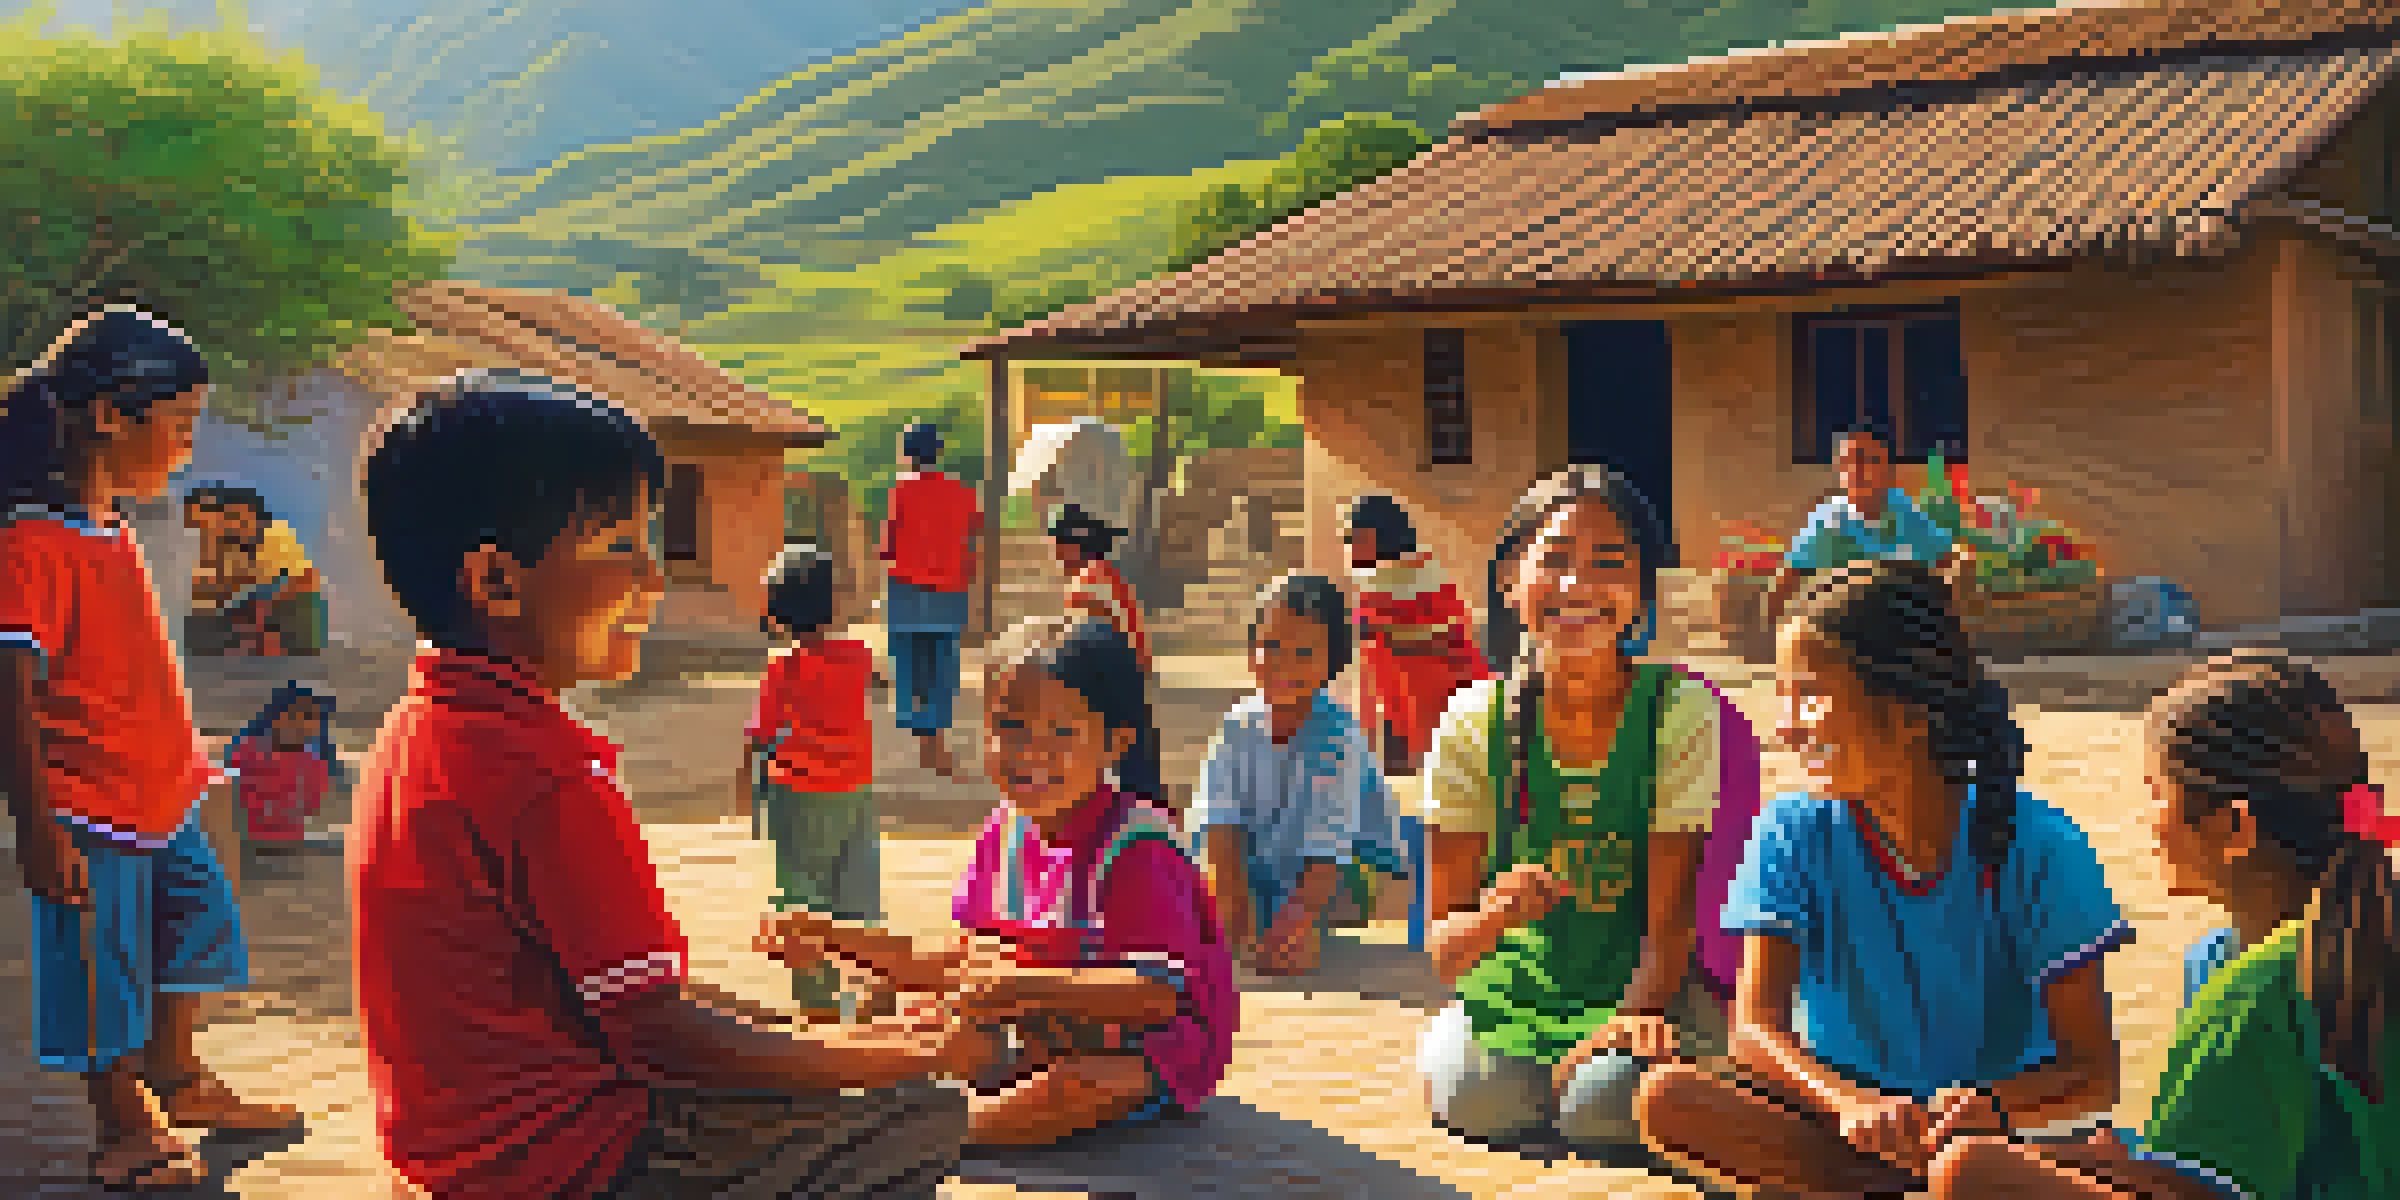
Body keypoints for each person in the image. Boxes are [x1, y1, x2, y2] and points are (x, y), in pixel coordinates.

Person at [354, 369, 985, 1199]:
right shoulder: (545, 778)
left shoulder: (418, 731)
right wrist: (905, 1054)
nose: (653, 578)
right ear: (498, 582)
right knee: (920, 1112)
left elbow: (634, 991)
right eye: (621, 547)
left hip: (451, 1154)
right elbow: (663, 1039)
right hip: (567, 1162)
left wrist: (801, 1032)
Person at [1637, 560, 2130, 1198]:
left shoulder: (2037, 842)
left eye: (1809, 693)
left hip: (1988, 1142)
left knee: (1970, 1170)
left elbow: (2093, 1071)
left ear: (1908, 713)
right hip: (1848, 1132)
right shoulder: (1793, 829)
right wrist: (1847, 1101)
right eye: (1781, 694)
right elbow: (1755, 1030)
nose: (1786, 726)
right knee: (1669, 1100)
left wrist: (1994, 1108)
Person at [0, 306, 301, 1191]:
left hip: (161, 792)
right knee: (101, 964)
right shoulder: (28, 545)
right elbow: (10, 695)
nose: (185, 447)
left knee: (191, 935)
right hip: (89, 805)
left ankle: (178, 1076)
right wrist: (39, 825)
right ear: (107, 418)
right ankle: (122, 1117)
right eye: (179, 425)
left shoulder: (113, 529)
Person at [1926, 652, 2400, 1200]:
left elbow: (2197, 1193)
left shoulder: (2256, 995)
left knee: (1971, 1172)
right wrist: (2098, 1155)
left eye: (2158, 792)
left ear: (2234, 826)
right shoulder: (2245, 957)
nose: (2149, 818)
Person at [762, 618, 1237, 1148]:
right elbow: (950, 959)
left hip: (1145, 1044)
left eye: (1061, 732)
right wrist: (833, 939)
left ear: (1115, 743)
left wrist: (1024, 989)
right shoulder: (1006, 832)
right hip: (1034, 1022)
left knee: (1074, 1089)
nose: (1032, 752)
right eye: (1010, 727)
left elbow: (1156, 998)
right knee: (918, 1030)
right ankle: (801, 1081)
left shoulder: (1138, 848)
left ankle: (917, 1137)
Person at [1414, 466, 1733, 1157]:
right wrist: (1498, 914)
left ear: (1642, 588)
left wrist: (1620, 1029)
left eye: (1608, 563)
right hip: (1514, 999)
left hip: (1642, 994)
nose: (1577, 587)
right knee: (1485, 1101)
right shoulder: (1473, 723)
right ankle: (1467, 1044)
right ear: (1510, 580)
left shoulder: (1677, 713)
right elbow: (1445, 950)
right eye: (1553, 560)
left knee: (1602, 1108)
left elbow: (1668, 929)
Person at [1191, 574, 1410, 975]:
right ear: (1251, 649)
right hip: (1260, 869)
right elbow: (1220, 832)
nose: (1282, 663)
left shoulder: (1338, 737)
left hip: (1340, 873)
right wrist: (1236, 918)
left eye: (1304, 652)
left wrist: (1300, 918)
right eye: (1270, 646)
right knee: (1203, 908)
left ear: (1332, 662)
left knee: (1302, 937)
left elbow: (1328, 848)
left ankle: (1297, 926)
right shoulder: (1237, 728)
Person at [744, 543, 882, 1023]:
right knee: (857, 886)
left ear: (780, 613)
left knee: (801, 893)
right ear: (833, 605)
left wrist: (747, 789)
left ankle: (819, 1003)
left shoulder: (780, 667)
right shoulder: (858, 658)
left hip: (796, 794)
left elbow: (760, 737)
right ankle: (866, 988)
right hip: (855, 790)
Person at [1763, 422, 1961, 628]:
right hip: (1846, 631)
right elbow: (1788, 580)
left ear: (1886, 468)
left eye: (1866, 460)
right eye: (1847, 462)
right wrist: (1768, 631)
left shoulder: (1905, 513)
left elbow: (1947, 561)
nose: (1855, 471)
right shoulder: (1829, 520)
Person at [1346, 494, 1489, 780]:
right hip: (1397, 708)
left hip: (1440, 704)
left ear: (1381, 537)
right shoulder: (1375, 581)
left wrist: (1382, 630)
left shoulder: (1423, 578)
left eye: (1359, 537)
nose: (1352, 546)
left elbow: (1446, 637)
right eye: (1351, 538)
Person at [879, 421, 980, 779]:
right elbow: (974, 530)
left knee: (909, 664)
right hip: (949, 589)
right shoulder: (961, 492)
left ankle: (925, 742)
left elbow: (887, 545)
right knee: (941, 665)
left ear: (907, 454)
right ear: (937, 453)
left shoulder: (901, 490)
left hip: (906, 589)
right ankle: (936, 742)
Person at [225, 683, 339, 852]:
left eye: (310, 717)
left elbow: (310, 806)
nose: (300, 723)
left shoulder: (316, 765)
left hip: (288, 848)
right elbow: (228, 797)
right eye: (293, 715)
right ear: (276, 715)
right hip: (239, 844)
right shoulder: (244, 750)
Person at [1051, 502, 1151, 671]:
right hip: (1128, 664)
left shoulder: (1091, 577)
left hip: (1120, 669)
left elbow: (1073, 633)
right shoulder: (1105, 571)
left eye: (1057, 549)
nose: (1056, 557)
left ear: (1072, 547)